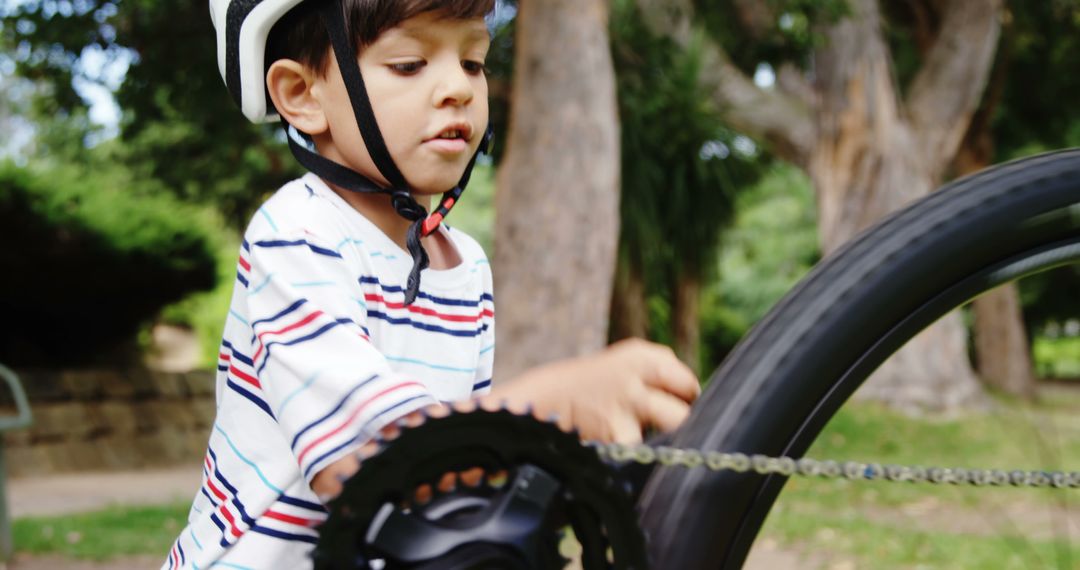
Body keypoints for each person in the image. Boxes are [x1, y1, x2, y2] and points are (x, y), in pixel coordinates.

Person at [164, 1, 699, 568]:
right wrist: (553, 405)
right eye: (409, 64)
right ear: (303, 94)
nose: (459, 89)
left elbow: (458, 473)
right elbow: (372, 460)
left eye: (472, 62)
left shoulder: (464, 263)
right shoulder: (297, 234)